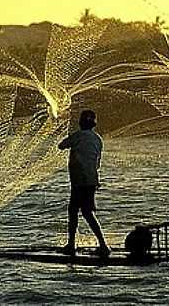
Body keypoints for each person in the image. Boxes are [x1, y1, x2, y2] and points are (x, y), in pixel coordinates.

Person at [58, 109, 111, 257]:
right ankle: (99, 244)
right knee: (86, 212)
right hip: (91, 180)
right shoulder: (98, 139)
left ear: (81, 123)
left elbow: (61, 145)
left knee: (76, 211)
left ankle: (79, 245)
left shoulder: (78, 136)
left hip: (79, 181)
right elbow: (97, 162)